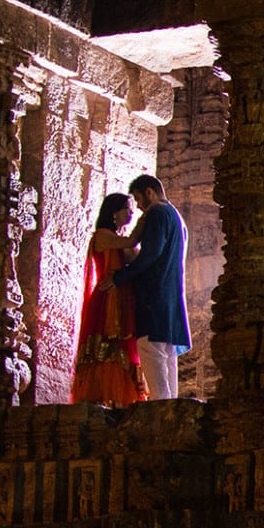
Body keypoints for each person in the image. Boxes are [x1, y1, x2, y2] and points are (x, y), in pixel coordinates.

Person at [113, 174, 191, 400]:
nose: (138, 207)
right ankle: (170, 403)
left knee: (150, 349)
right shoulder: (176, 217)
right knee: (167, 354)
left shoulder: (157, 213)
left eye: (138, 199)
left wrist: (120, 277)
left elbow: (151, 254)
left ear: (149, 192)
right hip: (170, 296)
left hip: (153, 295)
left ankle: (160, 404)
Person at [70, 193, 148, 407]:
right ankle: (104, 395)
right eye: (127, 208)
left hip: (123, 296)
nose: (131, 213)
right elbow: (132, 242)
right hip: (108, 298)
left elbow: (135, 257)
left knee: (125, 346)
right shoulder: (103, 235)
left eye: (133, 209)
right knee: (108, 345)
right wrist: (146, 219)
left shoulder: (118, 236)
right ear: (114, 212)